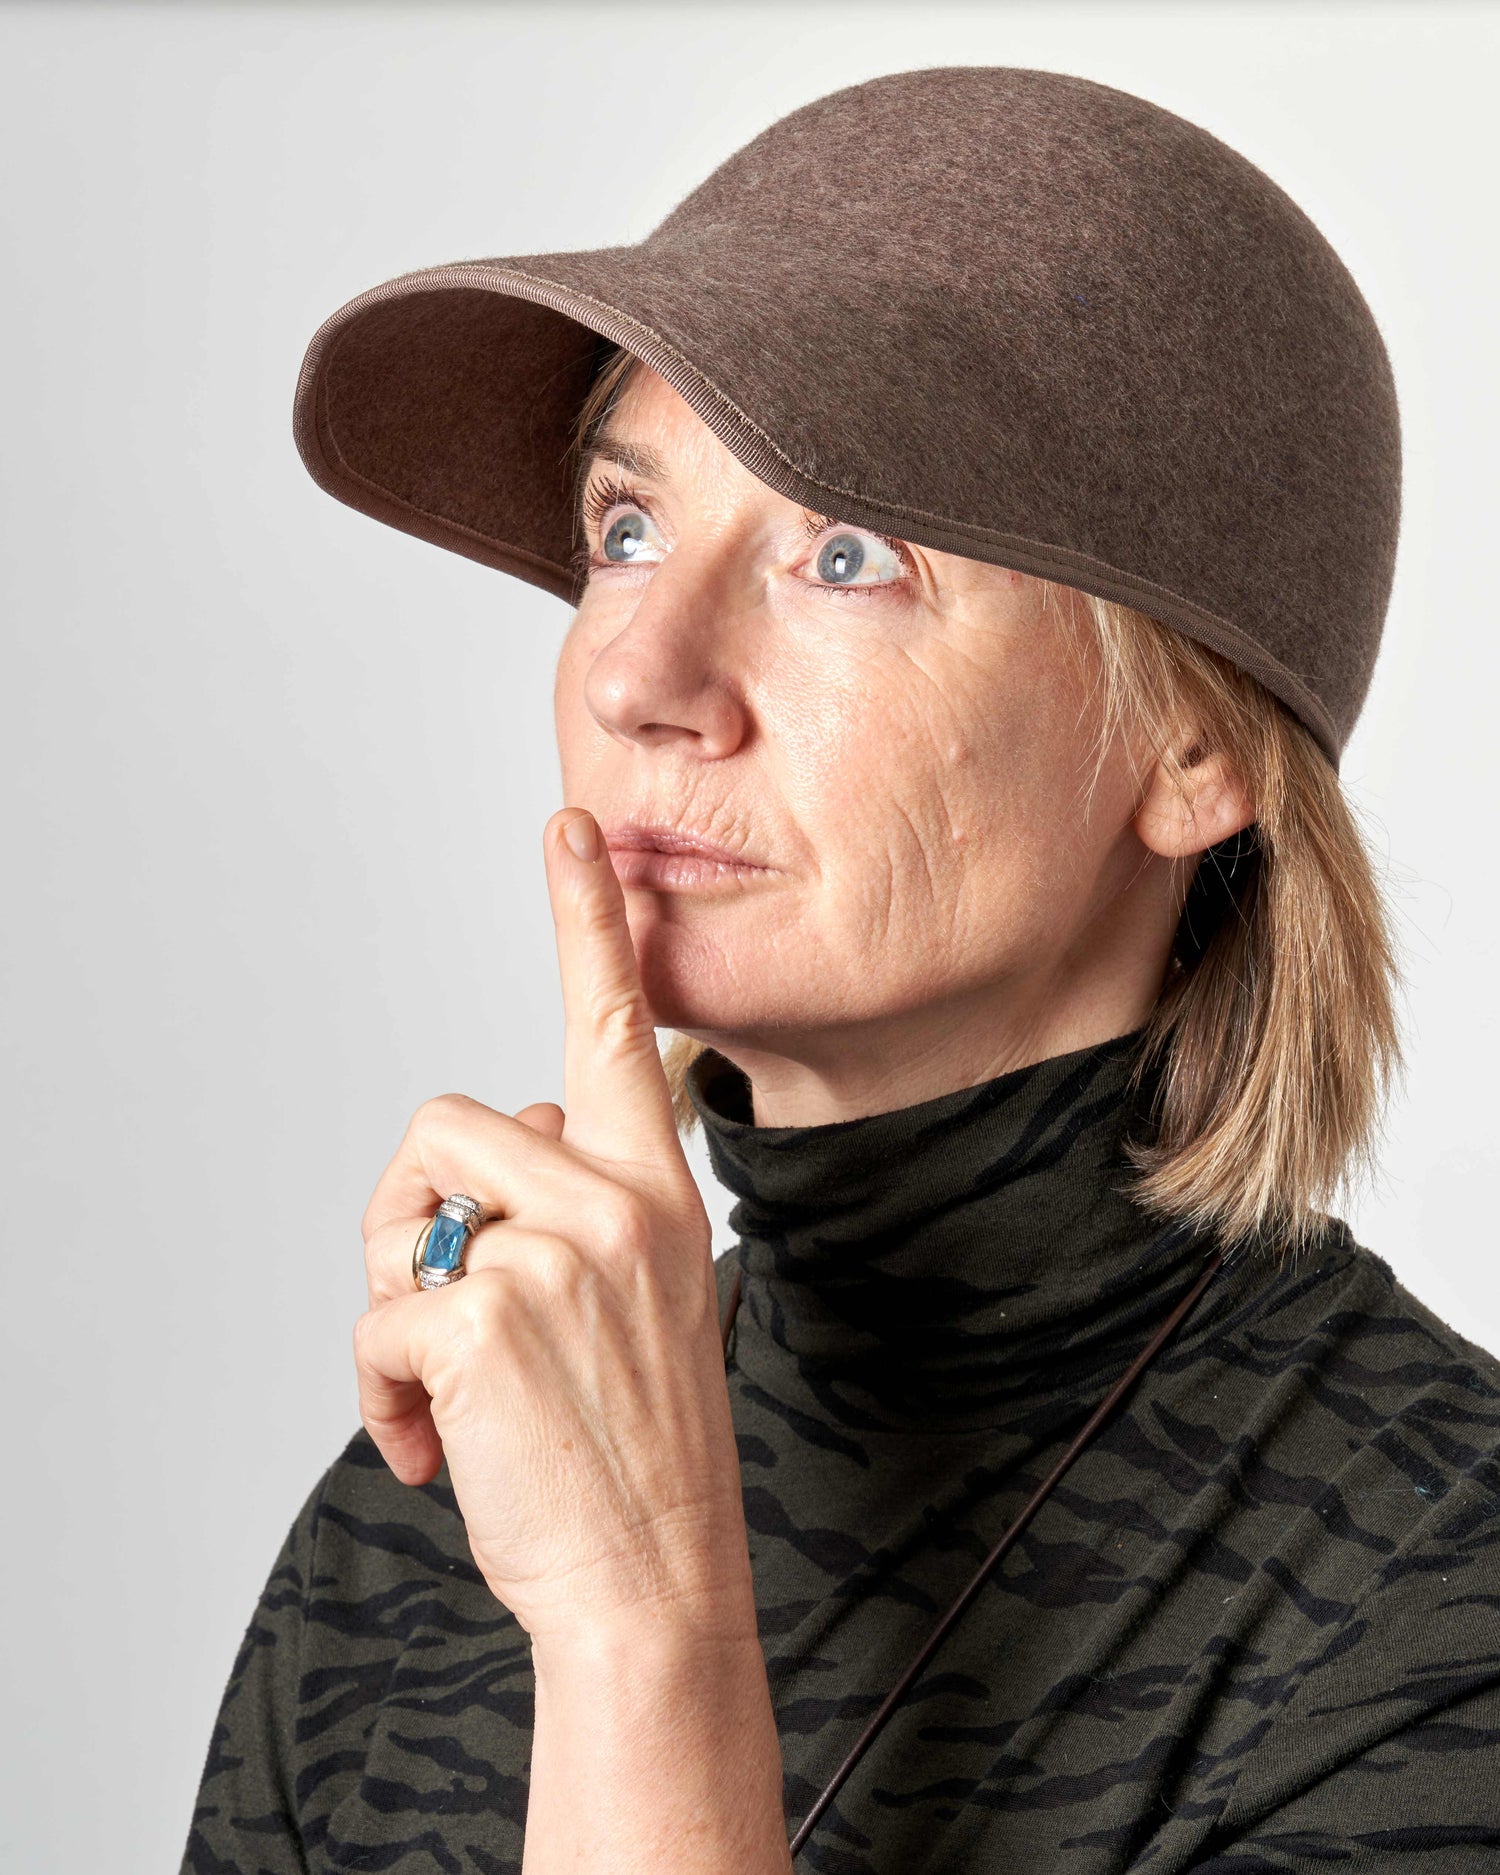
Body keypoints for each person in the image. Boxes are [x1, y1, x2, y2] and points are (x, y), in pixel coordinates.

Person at [181, 68, 1500, 1873]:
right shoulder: (431, 1508)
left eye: (847, 554)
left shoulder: (1435, 1598)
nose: (637, 671)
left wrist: (643, 1636)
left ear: (1195, 750)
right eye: (628, 526)